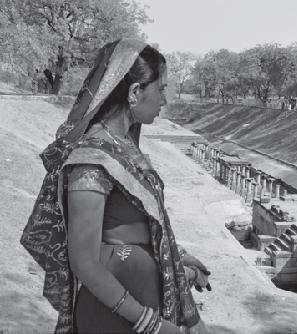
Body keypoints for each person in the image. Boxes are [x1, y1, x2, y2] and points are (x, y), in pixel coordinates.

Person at [20, 39, 210, 334]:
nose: (165, 100)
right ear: (135, 92)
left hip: (139, 307)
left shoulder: (125, 148)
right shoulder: (91, 160)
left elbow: (133, 222)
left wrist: (178, 254)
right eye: (161, 89)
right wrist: (151, 324)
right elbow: (84, 262)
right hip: (115, 318)